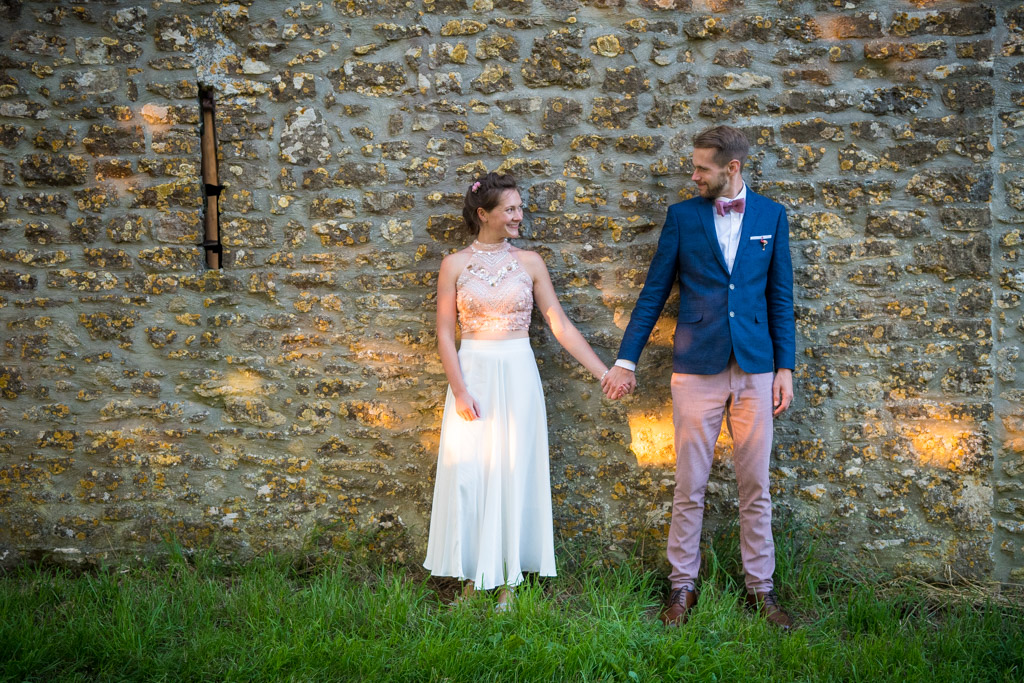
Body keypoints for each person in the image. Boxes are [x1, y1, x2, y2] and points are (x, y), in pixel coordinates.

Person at [602, 125, 796, 629]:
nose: (693, 176)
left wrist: (785, 368)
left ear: (731, 168)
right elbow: (652, 294)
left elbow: (780, 299)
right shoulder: (682, 218)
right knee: (690, 484)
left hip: (756, 369)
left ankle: (761, 591)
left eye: (701, 169)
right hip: (695, 369)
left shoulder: (772, 216)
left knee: (757, 486)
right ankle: (681, 587)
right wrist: (626, 359)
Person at [424, 172, 611, 610]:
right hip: (472, 376)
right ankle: (473, 579)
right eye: (510, 209)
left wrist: (604, 371)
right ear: (483, 213)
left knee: (512, 471)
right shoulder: (453, 265)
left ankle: (508, 581)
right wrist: (460, 390)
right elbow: (444, 334)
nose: (518, 216)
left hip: (518, 375)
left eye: (519, 208)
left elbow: (559, 326)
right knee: (471, 473)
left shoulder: (530, 263)